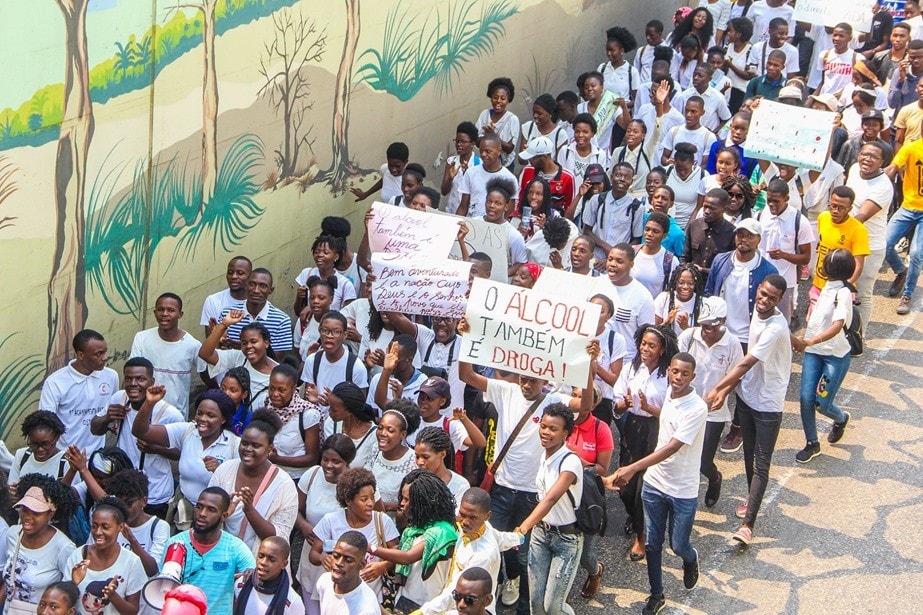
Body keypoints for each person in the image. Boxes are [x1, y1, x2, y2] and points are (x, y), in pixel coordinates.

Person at [456, 329, 595, 615]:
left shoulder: (552, 402)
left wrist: (591, 366)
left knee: (526, 556)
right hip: (503, 488)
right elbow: (467, 376)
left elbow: (586, 405)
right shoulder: (504, 389)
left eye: (533, 380)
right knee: (493, 547)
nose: (526, 384)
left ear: (546, 379)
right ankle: (489, 601)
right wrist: (467, 338)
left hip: (533, 493)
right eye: (523, 378)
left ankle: (523, 604)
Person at [606, 352, 707, 615]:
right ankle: (656, 594)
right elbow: (665, 420)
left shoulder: (697, 408)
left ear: (692, 377)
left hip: (682, 489)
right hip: (655, 484)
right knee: (652, 543)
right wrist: (648, 409)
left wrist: (633, 467)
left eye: (685, 374)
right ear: (669, 372)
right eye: (675, 372)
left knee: (678, 544)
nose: (678, 378)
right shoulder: (670, 397)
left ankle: (691, 557)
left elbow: (672, 447)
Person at [706, 276, 791, 545]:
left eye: (772, 298)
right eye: (763, 294)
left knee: (762, 461)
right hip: (747, 396)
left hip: (768, 401)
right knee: (748, 454)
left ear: (780, 301)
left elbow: (745, 364)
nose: (764, 301)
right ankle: (750, 499)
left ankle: (747, 525)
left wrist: (718, 388)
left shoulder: (776, 327)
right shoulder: (758, 312)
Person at [612, 325, 679, 560]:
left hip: (656, 430)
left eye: (652, 345)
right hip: (633, 428)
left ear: (662, 350)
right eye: (643, 344)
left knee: (643, 488)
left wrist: (650, 407)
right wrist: (624, 404)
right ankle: (635, 516)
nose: (646, 349)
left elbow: (673, 413)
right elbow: (617, 402)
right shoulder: (631, 368)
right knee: (624, 487)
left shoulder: (668, 375)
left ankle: (641, 536)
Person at [512, 403, 585, 615]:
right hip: (540, 535)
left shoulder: (570, 462)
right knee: (536, 604)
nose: (546, 432)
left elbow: (551, 498)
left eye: (553, 429)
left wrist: (523, 527)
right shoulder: (544, 456)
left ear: (566, 433)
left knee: (553, 607)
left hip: (567, 540)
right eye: (543, 426)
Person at [132, 388, 240, 530]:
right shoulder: (187, 431)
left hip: (215, 522)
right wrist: (149, 403)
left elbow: (241, 488)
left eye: (211, 415)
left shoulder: (235, 444)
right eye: (199, 413)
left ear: (223, 419)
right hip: (184, 515)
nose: (203, 419)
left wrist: (220, 470)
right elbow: (141, 431)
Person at [89, 357, 183, 518]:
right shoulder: (119, 398)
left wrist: (156, 449)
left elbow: (183, 452)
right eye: (128, 379)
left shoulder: (170, 414)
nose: (133, 384)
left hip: (154, 494)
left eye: (140, 379)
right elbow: (95, 429)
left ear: (152, 381)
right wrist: (106, 418)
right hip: (121, 492)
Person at [792, 250, 857, 464]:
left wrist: (810, 341)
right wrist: (806, 337)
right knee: (805, 398)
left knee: (822, 403)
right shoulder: (825, 288)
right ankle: (812, 442)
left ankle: (841, 418)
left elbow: (838, 325)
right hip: (814, 353)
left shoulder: (844, 294)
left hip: (834, 356)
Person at [677, 297, 742, 508]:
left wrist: (722, 394)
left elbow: (736, 375)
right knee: (682, 455)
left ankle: (714, 478)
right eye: (703, 325)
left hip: (713, 411)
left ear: (723, 321)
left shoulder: (731, 344)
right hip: (686, 407)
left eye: (712, 327)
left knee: (704, 462)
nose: (706, 331)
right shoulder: (688, 337)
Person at [207, 410, 298, 558]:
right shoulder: (224, 471)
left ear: (270, 449)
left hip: (259, 568)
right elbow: (206, 516)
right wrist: (223, 512)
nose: (248, 449)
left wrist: (249, 509)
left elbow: (278, 539)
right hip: (221, 561)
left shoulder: (284, 485)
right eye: (244, 443)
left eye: (256, 446)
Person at [417, 489, 521, 615]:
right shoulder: (482, 525)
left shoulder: (483, 555)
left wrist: (424, 612)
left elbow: (459, 591)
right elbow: (501, 538)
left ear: (487, 516)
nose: (465, 522)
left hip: (470, 607)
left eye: (472, 517)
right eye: (462, 515)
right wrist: (518, 538)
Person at [371, 470, 457, 612]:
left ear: (424, 501)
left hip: (429, 606)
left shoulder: (443, 532)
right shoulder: (415, 528)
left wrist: (370, 548)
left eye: (407, 499)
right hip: (404, 600)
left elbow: (407, 557)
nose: (402, 504)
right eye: (402, 498)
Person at [308, 468, 400, 600]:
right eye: (364, 499)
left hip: (374, 597)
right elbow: (313, 554)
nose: (370, 503)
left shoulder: (382, 520)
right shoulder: (330, 520)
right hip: (338, 597)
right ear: (348, 500)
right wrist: (322, 558)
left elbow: (396, 550)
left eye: (372, 497)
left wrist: (383, 565)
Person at [161, 487, 256, 614]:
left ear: (224, 516)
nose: (202, 513)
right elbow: (161, 586)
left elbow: (254, 578)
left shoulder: (235, 547)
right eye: (199, 507)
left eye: (211, 510)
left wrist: (252, 576)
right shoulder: (174, 544)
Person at [295, 434, 356, 614]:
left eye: (336, 462)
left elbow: (375, 515)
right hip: (313, 556)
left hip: (343, 561)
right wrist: (305, 527)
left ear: (347, 462)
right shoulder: (312, 475)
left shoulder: (357, 483)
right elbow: (295, 510)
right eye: (325, 459)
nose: (328, 466)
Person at [565, 386, 613, 599]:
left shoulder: (600, 429)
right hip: (562, 498)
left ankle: (595, 572)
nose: (576, 401)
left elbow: (602, 470)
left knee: (586, 556)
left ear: (593, 404)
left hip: (588, 500)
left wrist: (577, 461)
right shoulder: (561, 423)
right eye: (573, 395)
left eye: (582, 397)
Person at [62, 497, 146, 615]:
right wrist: (73, 584)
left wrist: (113, 596)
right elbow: (63, 600)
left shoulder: (131, 562)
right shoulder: (78, 556)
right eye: (94, 526)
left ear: (120, 527)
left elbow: (133, 611)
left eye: (105, 527)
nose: (98, 532)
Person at [39, 330, 119, 452]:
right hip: (67, 456)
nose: (105, 358)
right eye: (99, 354)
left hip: (97, 457)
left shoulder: (111, 376)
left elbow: (112, 410)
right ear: (81, 355)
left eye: (105, 352)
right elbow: (46, 423)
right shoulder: (55, 383)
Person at [2, 482, 76, 611]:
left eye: (36, 513)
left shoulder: (64, 547)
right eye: (24, 510)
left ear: (50, 514)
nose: (27, 517)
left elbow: (69, 592)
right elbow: (8, 583)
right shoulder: (13, 534)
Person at [846, 141, 894, 335]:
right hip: (847, 239)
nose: (867, 159)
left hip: (869, 247)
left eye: (874, 157)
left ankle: (859, 337)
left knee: (862, 294)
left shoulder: (883, 186)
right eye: (864, 154)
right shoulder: (854, 169)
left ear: (883, 162)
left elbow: (861, 218)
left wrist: (834, 228)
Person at [130, 293, 202, 414]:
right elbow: (131, 373)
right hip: (143, 411)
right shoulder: (142, 338)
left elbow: (205, 371)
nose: (164, 314)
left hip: (175, 414)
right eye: (160, 309)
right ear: (154, 313)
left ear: (180, 314)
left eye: (171, 310)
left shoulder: (192, 345)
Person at [756, 178, 815, 321]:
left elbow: (806, 257)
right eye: (769, 200)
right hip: (761, 280)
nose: (771, 204)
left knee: (781, 321)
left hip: (785, 284)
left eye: (776, 201)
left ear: (787, 198)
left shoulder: (800, 221)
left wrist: (783, 255)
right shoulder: (761, 215)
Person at [200, 309, 279, 410]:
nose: (249, 346)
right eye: (244, 343)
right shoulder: (239, 357)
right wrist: (224, 325)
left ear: (266, 343)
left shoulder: (278, 373)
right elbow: (205, 354)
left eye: (254, 341)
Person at [884, 130, 923, 315]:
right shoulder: (911, 148)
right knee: (884, 243)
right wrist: (880, 178)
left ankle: (907, 295)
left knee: (916, 254)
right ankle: (901, 271)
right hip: (908, 207)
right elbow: (893, 167)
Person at [106, 469, 170, 577]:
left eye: (128, 503)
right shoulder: (109, 524)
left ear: (143, 501)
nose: (123, 509)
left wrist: (132, 540)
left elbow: (152, 570)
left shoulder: (159, 526)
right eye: (119, 503)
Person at [600, 244, 657, 362]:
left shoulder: (643, 297)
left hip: (624, 364)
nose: (612, 264)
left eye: (619, 261)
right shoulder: (596, 284)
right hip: (592, 359)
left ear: (631, 265)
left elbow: (647, 336)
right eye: (610, 259)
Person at [301, 311, 368, 411]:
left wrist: (332, 402)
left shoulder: (356, 366)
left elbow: (359, 405)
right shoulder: (312, 360)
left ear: (345, 335)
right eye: (325, 330)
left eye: (336, 332)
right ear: (319, 331)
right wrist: (313, 398)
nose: (329, 336)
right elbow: (309, 395)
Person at [264, 364, 321, 480]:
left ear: (294, 389)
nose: (275, 394)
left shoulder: (307, 414)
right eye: (272, 388)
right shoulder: (266, 405)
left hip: (297, 478)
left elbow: (312, 458)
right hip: (269, 475)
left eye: (281, 390)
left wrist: (277, 459)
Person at [218, 269, 293, 354]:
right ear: (246, 286)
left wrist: (242, 348)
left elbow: (277, 360)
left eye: (263, 286)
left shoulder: (281, 320)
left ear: (271, 290)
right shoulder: (228, 314)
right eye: (252, 284)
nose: (256, 290)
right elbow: (218, 352)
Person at [365, 400, 420, 514]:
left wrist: (385, 506)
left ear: (403, 434)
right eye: (380, 428)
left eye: (390, 430)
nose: (383, 433)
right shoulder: (375, 449)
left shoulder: (413, 461)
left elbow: (415, 500)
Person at [583, 163, 644, 261]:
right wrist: (604, 246)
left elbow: (636, 240)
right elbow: (586, 230)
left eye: (627, 177)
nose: (622, 179)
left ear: (631, 182)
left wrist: (614, 256)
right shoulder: (596, 200)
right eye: (618, 175)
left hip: (619, 262)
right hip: (595, 258)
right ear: (611, 177)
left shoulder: (636, 207)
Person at [314, 531, 382, 615]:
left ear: (362, 564)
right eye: (336, 556)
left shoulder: (366, 610)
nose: (339, 563)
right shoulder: (324, 581)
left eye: (348, 560)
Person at [234, 536, 305, 615]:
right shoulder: (242, 584)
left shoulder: (292, 602)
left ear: (284, 564)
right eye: (260, 556)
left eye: (272, 560)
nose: (263, 562)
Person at [456, 133, 519, 218]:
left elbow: (508, 213)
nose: (483, 154)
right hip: (473, 224)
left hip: (495, 228)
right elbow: (463, 207)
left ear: (499, 151)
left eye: (488, 151)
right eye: (481, 151)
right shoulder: (471, 173)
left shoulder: (509, 179)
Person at [321, 382, 379, 470]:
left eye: (334, 410)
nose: (329, 411)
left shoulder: (374, 436)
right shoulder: (331, 424)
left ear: (349, 412)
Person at [294, 235, 357, 315]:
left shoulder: (345, 284)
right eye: (316, 252)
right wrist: (299, 297)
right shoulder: (306, 274)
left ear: (336, 257)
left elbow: (349, 316)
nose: (320, 255)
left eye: (325, 252)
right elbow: (298, 312)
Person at [8, 411, 68, 495]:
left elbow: (69, 498)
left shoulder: (65, 462)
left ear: (56, 438)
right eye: (34, 444)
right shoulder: (22, 456)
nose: (40, 449)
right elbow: (11, 486)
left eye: (45, 444)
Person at [516, 137, 576, 217]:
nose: (529, 161)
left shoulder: (568, 177)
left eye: (532, 158)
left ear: (543, 157)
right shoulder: (527, 170)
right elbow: (518, 199)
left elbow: (568, 208)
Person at [684, 188, 736, 279]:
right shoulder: (694, 226)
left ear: (723, 209)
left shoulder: (732, 233)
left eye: (712, 208)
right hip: (692, 282)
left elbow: (730, 267)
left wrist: (703, 271)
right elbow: (684, 257)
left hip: (716, 283)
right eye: (705, 207)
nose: (707, 211)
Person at [412, 426, 472, 506]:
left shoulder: (460, 485)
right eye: (417, 456)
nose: (420, 462)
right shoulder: (412, 480)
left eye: (425, 457)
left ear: (442, 454)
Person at [369, 337, 428, 413]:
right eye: (388, 357)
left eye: (395, 359)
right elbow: (374, 413)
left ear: (409, 360)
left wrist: (397, 400)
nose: (390, 362)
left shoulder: (423, 384)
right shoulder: (378, 379)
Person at [200, 256, 253, 337]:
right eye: (230, 272)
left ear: (250, 277)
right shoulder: (213, 300)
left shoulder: (257, 303)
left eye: (240, 273)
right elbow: (210, 341)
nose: (234, 276)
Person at [475, 78, 520, 170]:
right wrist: (486, 136)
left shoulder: (512, 119)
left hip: (505, 166)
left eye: (503, 98)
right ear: (491, 98)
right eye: (495, 97)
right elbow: (476, 141)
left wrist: (493, 135)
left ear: (508, 100)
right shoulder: (484, 115)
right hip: (485, 164)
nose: (498, 101)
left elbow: (509, 149)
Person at [672, 64, 731, 133]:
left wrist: (714, 132)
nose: (696, 78)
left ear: (709, 79)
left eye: (700, 76)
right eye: (694, 74)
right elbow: (677, 117)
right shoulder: (684, 95)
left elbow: (726, 118)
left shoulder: (718, 98)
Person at [633, 213, 680, 298]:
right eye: (647, 229)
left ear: (664, 236)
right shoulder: (632, 253)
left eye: (656, 231)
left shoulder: (670, 261)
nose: (649, 234)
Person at [559, 115, 610, 192]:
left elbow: (599, 182)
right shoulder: (565, 151)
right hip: (568, 199)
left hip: (589, 199)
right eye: (577, 131)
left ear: (593, 134)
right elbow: (561, 178)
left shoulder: (599, 155)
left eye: (585, 132)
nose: (580, 135)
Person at [443, 122, 482, 215]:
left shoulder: (479, 164)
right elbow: (444, 191)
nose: (459, 145)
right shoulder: (451, 162)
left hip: (470, 215)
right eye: (457, 141)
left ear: (472, 143)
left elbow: (478, 193)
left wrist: (467, 174)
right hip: (451, 211)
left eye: (463, 142)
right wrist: (450, 178)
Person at [655, 265, 703, 336]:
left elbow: (704, 338)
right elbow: (653, 332)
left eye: (690, 283)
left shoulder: (703, 303)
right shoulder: (663, 298)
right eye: (681, 282)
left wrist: (686, 328)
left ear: (695, 284)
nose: (685, 287)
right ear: (675, 282)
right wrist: (667, 322)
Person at [814, 23, 858, 99]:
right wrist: (813, 97)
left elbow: (857, 82)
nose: (837, 38)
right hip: (825, 99)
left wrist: (842, 93)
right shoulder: (824, 55)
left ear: (850, 38)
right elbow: (823, 80)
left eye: (841, 36)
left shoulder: (856, 58)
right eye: (835, 35)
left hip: (844, 101)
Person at [518, 95, 569, 159]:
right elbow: (521, 160)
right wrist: (527, 153)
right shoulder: (528, 127)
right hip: (530, 168)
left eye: (539, 113)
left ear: (550, 114)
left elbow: (560, 163)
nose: (535, 116)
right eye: (534, 112)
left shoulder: (560, 134)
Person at [598, 27, 641, 103]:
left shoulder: (632, 72)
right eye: (607, 50)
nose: (609, 53)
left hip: (623, 113)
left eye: (612, 50)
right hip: (603, 113)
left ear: (621, 51)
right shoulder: (602, 68)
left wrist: (621, 105)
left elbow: (636, 100)